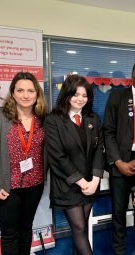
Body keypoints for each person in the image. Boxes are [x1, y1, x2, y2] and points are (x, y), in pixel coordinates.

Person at [0, 72, 47, 255]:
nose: (26, 95)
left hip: (34, 185)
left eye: (30, 91)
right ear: (13, 93)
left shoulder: (43, 118)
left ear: (37, 94)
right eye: (20, 90)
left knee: (26, 229)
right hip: (5, 187)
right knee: (10, 234)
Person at [44, 74, 104, 255]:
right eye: (76, 94)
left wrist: (95, 179)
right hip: (68, 184)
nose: (80, 99)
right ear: (66, 95)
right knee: (78, 228)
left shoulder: (92, 118)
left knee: (81, 228)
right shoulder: (53, 120)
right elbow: (57, 157)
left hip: (90, 184)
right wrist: (82, 182)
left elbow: (99, 149)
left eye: (84, 95)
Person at [104, 59, 135, 255]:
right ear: (132, 74)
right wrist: (118, 162)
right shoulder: (117, 96)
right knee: (118, 213)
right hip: (119, 164)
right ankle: (119, 251)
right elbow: (108, 131)